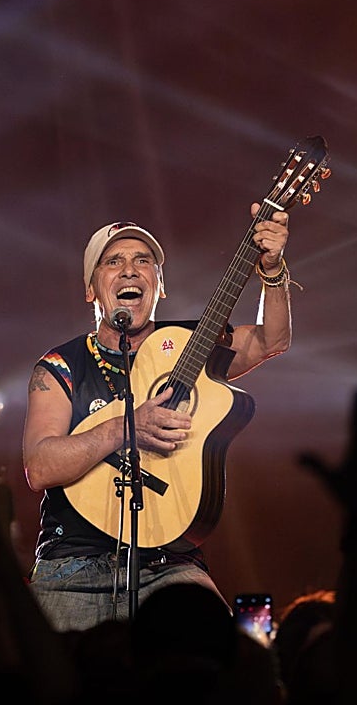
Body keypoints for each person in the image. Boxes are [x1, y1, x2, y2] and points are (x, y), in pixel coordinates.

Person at [21, 205, 294, 631]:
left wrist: (273, 270)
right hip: (70, 565)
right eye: (113, 262)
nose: (129, 271)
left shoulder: (190, 345)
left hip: (170, 561)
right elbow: (39, 467)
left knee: (219, 663)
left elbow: (270, 339)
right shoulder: (59, 366)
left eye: (143, 261)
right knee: (46, 688)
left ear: (159, 285)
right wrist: (127, 427)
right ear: (91, 288)